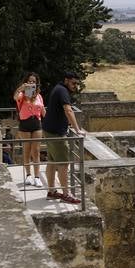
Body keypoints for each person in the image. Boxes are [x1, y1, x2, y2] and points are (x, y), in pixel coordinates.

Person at [42, 70, 85, 204]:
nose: (75, 86)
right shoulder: (62, 91)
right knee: (63, 164)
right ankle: (66, 194)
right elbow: (68, 110)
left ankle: (51, 191)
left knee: (52, 161)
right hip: (56, 133)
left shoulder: (58, 88)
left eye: (77, 84)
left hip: (49, 130)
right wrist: (77, 129)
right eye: (73, 83)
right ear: (66, 80)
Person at [13, 73, 46, 186]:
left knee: (36, 151)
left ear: (37, 83)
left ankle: (37, 177)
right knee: (26, 151)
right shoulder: (21, 95)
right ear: (26, 82)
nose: (32, 83)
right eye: (30, 81)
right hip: (25, 124)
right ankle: (28, 175)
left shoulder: (39, 96)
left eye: (34, 82)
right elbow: (15, 97)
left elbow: (43, 112)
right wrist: (21, 88)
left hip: (37, 124)